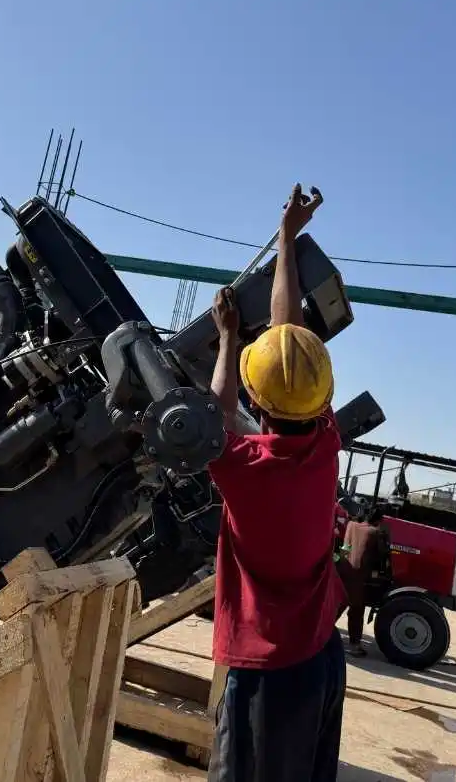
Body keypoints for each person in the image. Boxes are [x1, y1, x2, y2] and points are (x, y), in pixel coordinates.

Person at [205, 183, 346, 782]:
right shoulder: (324, 446)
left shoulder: (243, 469)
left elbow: (210, 419)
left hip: (266, 673)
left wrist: (229, 337)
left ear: (256, 403)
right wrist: (286, 238)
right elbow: (289, 340)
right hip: (320, 659)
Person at [340, 507, 390, 656]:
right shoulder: (374, 532)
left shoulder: (351, 525)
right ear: (378, 520)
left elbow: (345, 548)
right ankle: (354, 646)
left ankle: (314, 638)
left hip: (343, 571)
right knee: (356, 611)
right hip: (358, 577)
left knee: (335, 607)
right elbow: (383, 554)